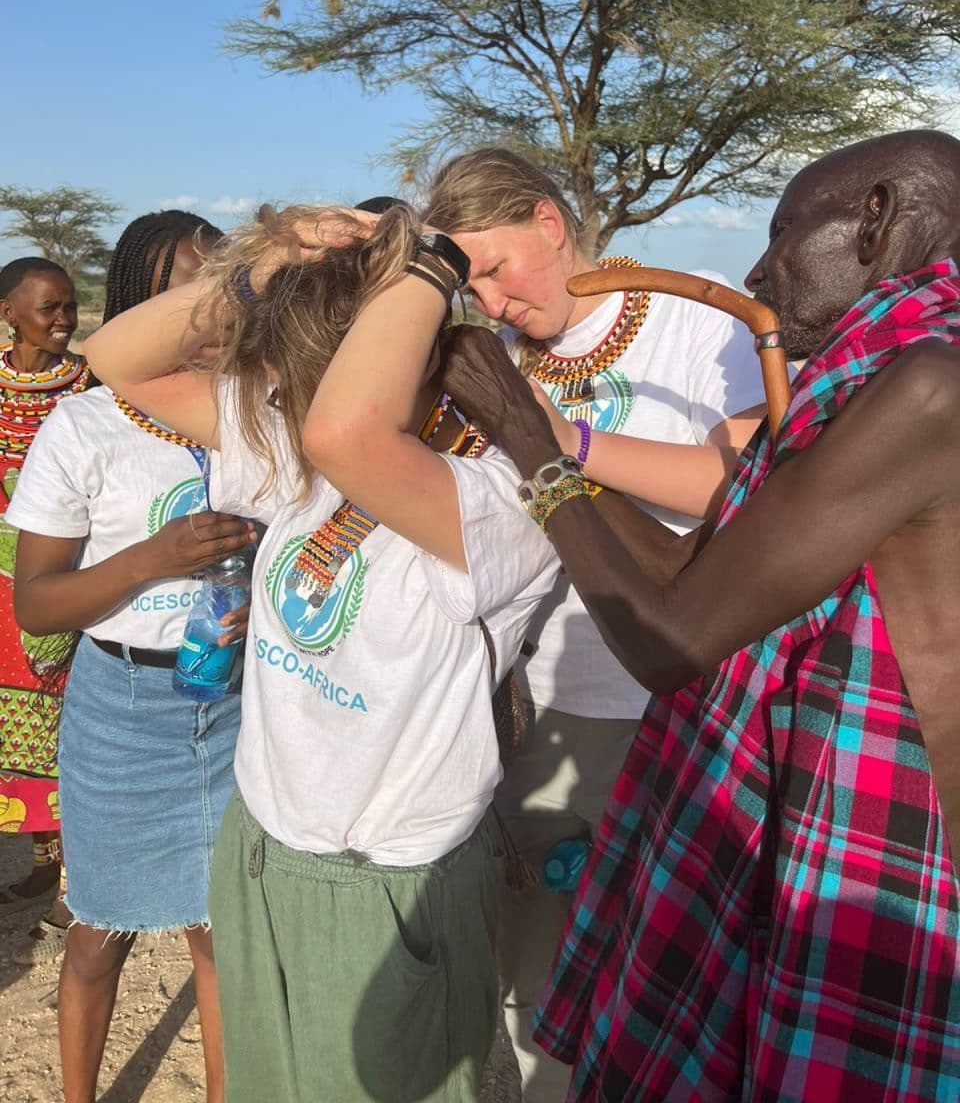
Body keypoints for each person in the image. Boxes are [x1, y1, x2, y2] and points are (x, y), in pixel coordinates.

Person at [441, 128, 960, 1101]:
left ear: (878, 221)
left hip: (885, 865)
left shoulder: (928, 384)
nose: (759, 273)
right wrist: (542, 442)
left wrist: (528, 434)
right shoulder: (873, 377)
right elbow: (700, 566)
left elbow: (672, 640)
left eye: (784, 233)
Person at [83, 201, 560, 1103]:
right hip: (262, 838)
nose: (275, 376)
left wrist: (431, 265)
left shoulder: (495, 496)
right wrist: (262, 266)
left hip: (381, 881)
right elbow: (117, 360)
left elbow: (347, 430)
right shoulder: (296, 453)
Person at [422, 147, 765, 1096]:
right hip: (548, 698)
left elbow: (734, 481)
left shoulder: (697, 317)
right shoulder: (499, 351)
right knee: (536, 969)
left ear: (549, 220)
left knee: (678, 968)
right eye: (468, 283)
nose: (489, 301)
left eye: (494, 267)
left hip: (679, 694)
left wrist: (558, 439)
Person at [7, 211, 254, 1103]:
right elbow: (37, 602)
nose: (210, 304)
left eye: (224, 282)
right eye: (189, 284)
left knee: (222, 935)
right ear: (141, 298)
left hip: (235, 704)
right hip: (122, 708)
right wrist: (156, 558)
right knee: (96, 934)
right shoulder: (83, 425)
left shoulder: (252, 411)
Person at [0, 257, 88, 931]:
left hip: (71, 580)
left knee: (71, 732)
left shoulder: (94, 386)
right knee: (15, 737)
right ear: (8, 312)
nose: (62, 321)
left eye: (68, 308)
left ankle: (75, 881)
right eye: (47, 309)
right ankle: (38, 861)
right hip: (3, 592)